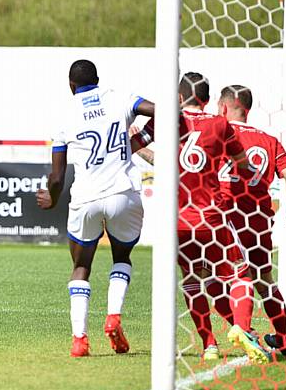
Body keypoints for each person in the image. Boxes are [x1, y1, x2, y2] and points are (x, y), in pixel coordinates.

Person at [131, 72, 271, 364]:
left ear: (179, 98)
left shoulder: (167, 121)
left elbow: (133, 146)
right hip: (211, 217)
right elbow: (243, 163)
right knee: (239, 275)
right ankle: (243, 329)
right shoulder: (220, 124)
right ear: (208, 101)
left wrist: (141, 144)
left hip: (177, 221)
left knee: (193, 280)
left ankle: (209, 345)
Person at [37, 59, 154, 357]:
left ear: (71, 85)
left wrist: (51, 198)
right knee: (122, 257)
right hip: (123, 194)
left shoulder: (64, 116)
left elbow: (58, 176)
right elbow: (161, 111)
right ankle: (113, 317)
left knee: (81, 267)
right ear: (98, 79)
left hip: (86, 198)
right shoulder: (119, 98)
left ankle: (79, 339)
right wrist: (141, 138)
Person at [217, 85, 286, 356]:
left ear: (224, 107)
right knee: (264, 280)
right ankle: (283, 339)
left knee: (234, 275)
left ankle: (243, 332)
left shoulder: (219, 134)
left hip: (227, 216)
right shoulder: (269, 140)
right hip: (258, 219)